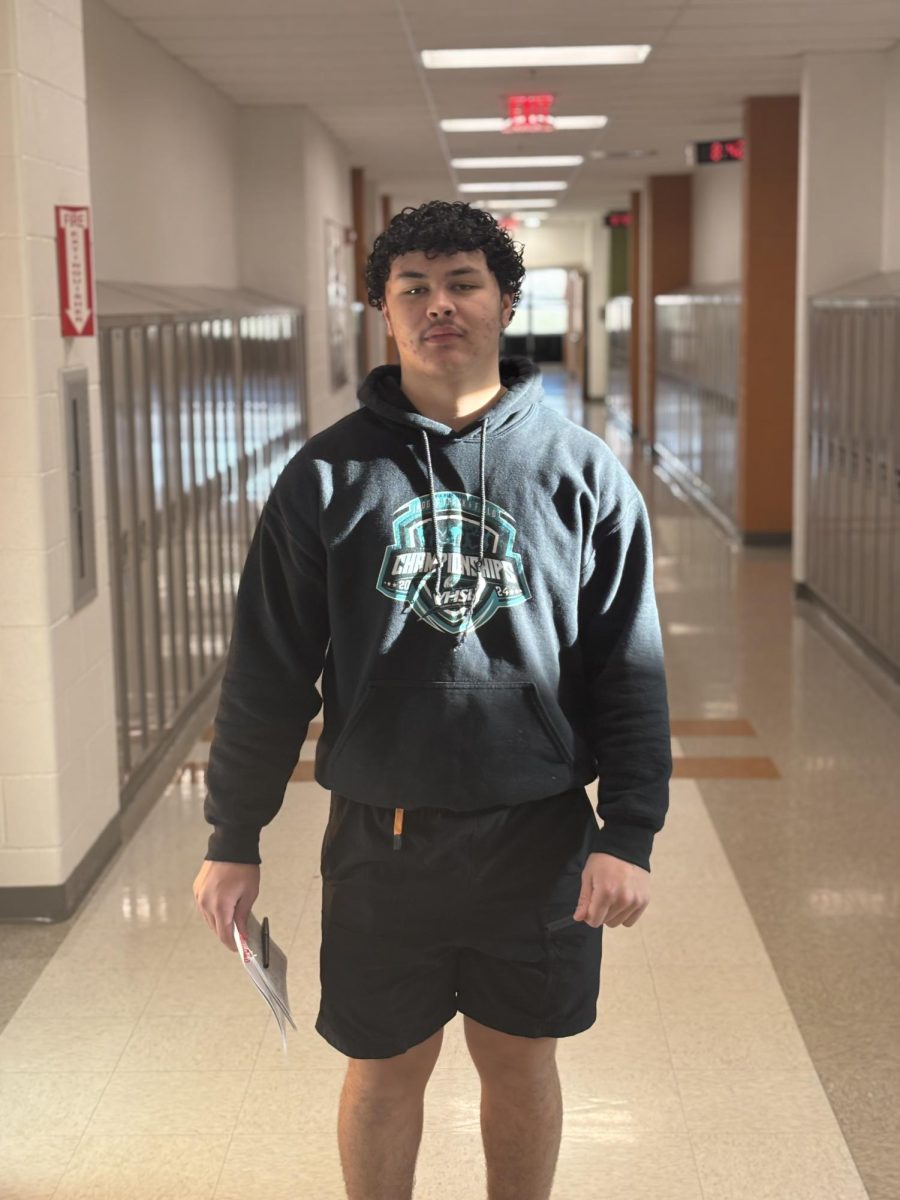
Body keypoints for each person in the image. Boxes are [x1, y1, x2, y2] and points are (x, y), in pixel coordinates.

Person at [192, 200, 672, 1200]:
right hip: (384, 839)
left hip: (537, 834)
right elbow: (268, 671)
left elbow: (630, 668)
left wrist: (628, 829)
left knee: (520, 1061)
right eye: (412, 287)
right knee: (385, 1067)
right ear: (382, 311)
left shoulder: (582, 473)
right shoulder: (326, 478)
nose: (437, 304)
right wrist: (231, 834)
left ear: (506, 301)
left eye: (461, 282)